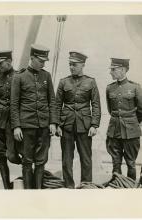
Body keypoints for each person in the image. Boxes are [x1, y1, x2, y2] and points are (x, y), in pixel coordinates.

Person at [11, 44, 58, 189]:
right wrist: (16, 126)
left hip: (43, 126)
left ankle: (38, 193)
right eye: (40, 60)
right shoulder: (19, 77)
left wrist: (53, 122)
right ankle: (28, 195)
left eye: (44, 61)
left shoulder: (46, 76)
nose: (43, 64)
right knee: (27, 161)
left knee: (41, 161)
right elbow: (14, 104)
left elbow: (52, 101)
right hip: (26, 127)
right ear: (32, 58)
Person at [56, 51, 101, 188]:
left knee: (86, 158)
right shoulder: (63, 82)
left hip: (84, 125)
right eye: (70, 64)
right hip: (66, 125)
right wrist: (57, 124)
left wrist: (94, 125)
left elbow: (96, 104)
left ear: (82, 65)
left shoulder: (90, 82)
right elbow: (57, 105)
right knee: (66, 159)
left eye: (74, 64)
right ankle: (69, 186)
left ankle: (86, 185)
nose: (71, 67)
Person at [0, 50, 22, 189]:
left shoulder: (19, 76)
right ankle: (6, 188)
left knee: (14, 155)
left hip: (14, 122)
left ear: (9, 61)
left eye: (0, 63)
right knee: (1, 157)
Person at [106, 58, 142, 180]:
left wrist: (132, 122)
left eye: (113, 69)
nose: (111, 72)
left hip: (131, 131)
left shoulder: (135, 87)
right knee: (115, 163)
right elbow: (110, 110)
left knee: (131, 163)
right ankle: (116, 186)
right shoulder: (109, 88)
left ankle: (130, 188)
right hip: (114, 130)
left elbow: (141, 110)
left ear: (122, 70)